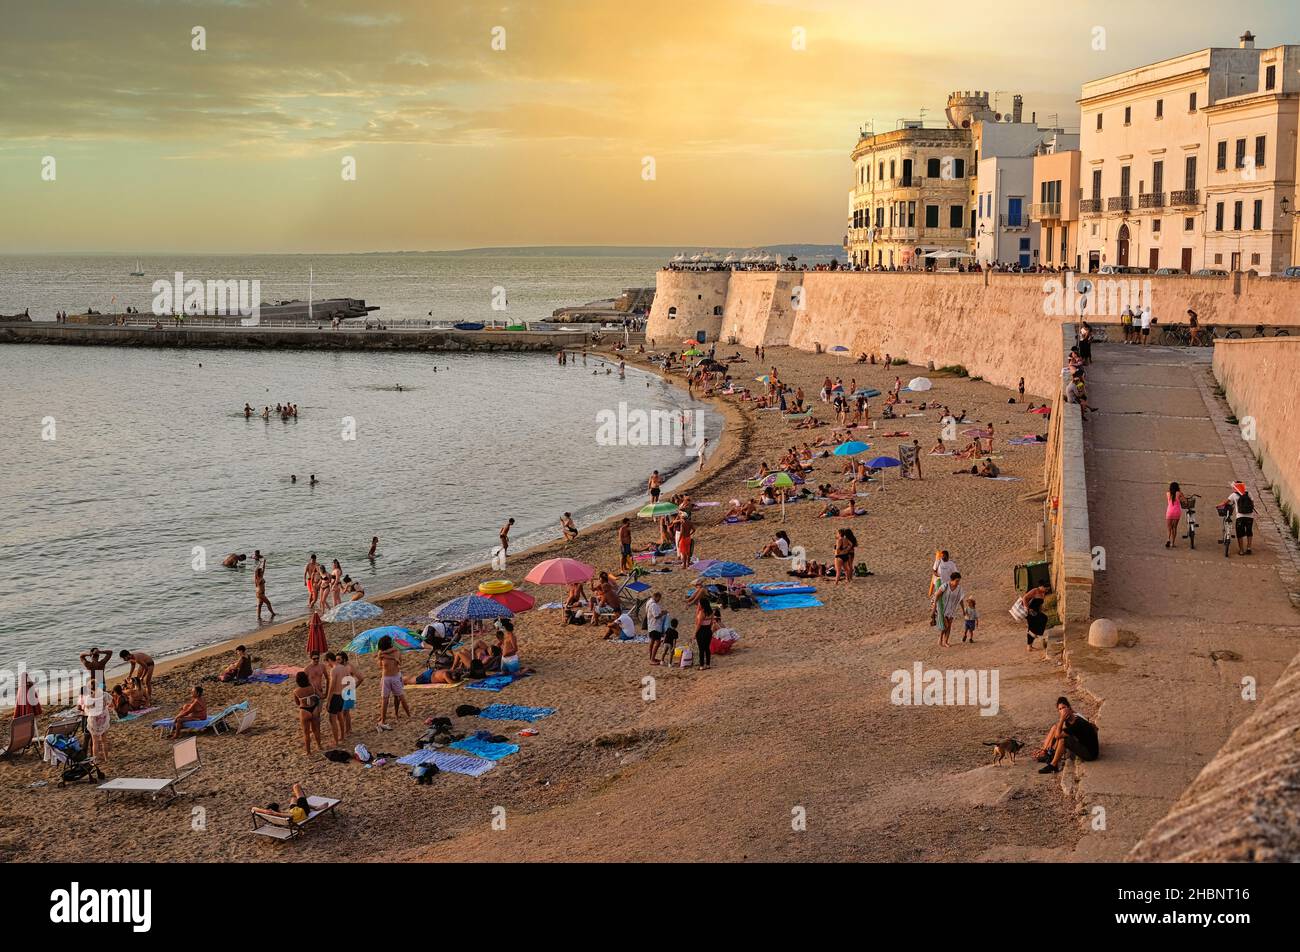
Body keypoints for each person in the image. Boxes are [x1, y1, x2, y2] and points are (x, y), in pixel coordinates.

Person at [1035, 696, 1100, 773]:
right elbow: (1058, 734)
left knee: (1063, 740)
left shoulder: (1077, 723)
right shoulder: (1070, 721)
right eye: (1060, 709)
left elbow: (1058, 736)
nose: (1063, 711)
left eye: (1064, 707)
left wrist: (1061, 719)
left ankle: (1053, 765)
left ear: (1069, 708)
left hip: (1090, 754)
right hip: (1083, 746)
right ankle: (1050, 755)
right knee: (1061, 734)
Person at [375, 635, 410, 730]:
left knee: (401, 697)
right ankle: (383, 719)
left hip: (395, 676)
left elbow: (398, 660)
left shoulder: (395, 651)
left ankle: (408, 715)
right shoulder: (381, 653)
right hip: (385, 677)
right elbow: (379, 664)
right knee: (384, 699)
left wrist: (384, 655)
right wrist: (384, 656)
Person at [931, 572, 967, 648]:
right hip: (942, 608)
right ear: (952, 580)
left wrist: (963, 610)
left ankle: (945, 641)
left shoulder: (959, 588)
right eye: (956, 581)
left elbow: (961, 600)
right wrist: (934, 608)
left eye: (959, 581)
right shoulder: (945, 586)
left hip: (952, 609)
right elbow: (937, 595)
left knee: (949, 626)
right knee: (945, 625)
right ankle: (940, 639)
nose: (958, 582)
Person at [79, 681, 111, 763]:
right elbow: (109, 702)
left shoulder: (89, 698)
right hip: (103, 718)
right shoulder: (104, 694)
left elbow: (85, 708)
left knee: (95, 742)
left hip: (94, 720)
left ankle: (95, 760)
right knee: (104, 740)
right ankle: (106, 758)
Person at [292, 671, 323, 754]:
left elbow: (297, 703)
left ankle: (308, 752)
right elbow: (321, 696)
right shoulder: (312, 687)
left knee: (306, 733)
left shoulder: (296, 691)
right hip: (314, 709)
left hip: (304, 710)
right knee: (316, 730)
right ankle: (319, 746)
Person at [1223, 480, 1255, 555]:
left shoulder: (1234, 495)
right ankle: (1249, 548)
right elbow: (1252, 503)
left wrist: (1219, 505)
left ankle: (1241, 550)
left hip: (1240, 516)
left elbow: (1226, 502)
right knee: (1249, 531)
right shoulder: (1248, 493)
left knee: (1240, 533)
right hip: (1250, 516)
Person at [693, 595, 715, 669]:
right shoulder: (711, 611)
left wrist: (695, 633)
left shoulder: (701, 613)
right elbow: (712, 622)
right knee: (707, 648)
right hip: (708, 630)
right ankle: (708, 664)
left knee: (701, 649)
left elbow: (698, 624)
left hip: (701, 631)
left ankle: (701, 665)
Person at [646, 592, 668, 662]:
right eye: (659, 598)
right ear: (657, 597)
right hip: (655, 626)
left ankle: (651, 657)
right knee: (658, 642)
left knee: (652, 641)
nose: (659, 600)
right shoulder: (653, 605)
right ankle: (652, 659)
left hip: (651, 625)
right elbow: (656, 616)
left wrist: (661, 612)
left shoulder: (649, 602)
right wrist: (663, 613)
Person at [1165, 481, 1187, 548]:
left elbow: (1169, 501)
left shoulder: (1168, 493)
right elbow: (1185, 501)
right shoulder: (1179, 493)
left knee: (1169, 528)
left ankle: (1168, 539)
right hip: (1177, 512)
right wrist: (1181, 499)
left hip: (1169, 511)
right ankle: (1173, 543)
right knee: (1174, 528)